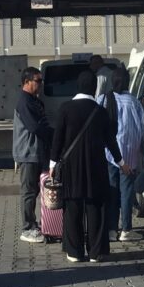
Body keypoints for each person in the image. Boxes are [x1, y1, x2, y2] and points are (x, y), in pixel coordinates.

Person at [50, 70, 130, 263]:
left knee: (73, 206)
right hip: (96, 166)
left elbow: (57, 139)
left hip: (71, 167)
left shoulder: (65, 109)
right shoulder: (100, 111)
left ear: (77, 86)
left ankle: (74, 251)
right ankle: (96, 251)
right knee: (96, 207)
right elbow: (111, 141)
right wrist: (122, 163)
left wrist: (52, 164)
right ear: (94, 87)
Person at [99, 68, 144, 242]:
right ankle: (126, 228)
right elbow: (141, 129)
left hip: (109, 154)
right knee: (126, 191)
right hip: (129, 156)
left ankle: (111, 229)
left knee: (112, 190)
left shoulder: (104, 99)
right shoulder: (134, 102)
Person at [13, 66, 54, 243]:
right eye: (37, 81)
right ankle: (27, 228)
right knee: (28, 191)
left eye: (41, 81)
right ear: (27, 82)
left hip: (37, 152)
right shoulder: (24, 101)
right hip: (28, 153)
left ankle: (33, 223)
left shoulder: (35, 100)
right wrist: (54, 134)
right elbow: (36, 127)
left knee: (36, 190)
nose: (40, 84)